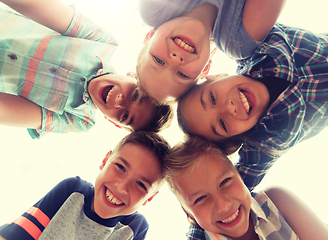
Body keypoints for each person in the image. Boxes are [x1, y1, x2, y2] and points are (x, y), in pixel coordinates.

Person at [176, 21, 328, 190]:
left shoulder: (251, 46)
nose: (229, 108)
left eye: (212, 97)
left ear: (216, 76)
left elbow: (222, 17)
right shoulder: (266, 142)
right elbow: (238, 187)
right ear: (236, 137)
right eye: (222, 124)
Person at [0, 0, 172, 139]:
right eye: (135, 95)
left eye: (125, 116)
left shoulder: (78, 120)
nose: (120, 102)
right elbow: (32, 4)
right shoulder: (102, 43)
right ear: (133, 76)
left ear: (114, 122)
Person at [0, 131, 171, 240]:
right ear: (105, 160)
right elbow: (16, 235)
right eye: (120, 167)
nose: (121, 187)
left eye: (141, 184)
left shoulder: (134, 229)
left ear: (149, 198)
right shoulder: (73, 191)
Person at [164, 136, 328, 240]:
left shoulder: (277, 201)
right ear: (189, 214)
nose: (223, 205)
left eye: (225, 181)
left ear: (240, 176)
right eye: (199, 199)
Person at [136, 0, 286, 103]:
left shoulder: (155, 9)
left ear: (150, 36)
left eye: (158, 60)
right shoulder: (238, 43)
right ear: (205, 68)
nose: (175, 60)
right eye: (182, 75)